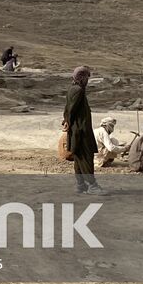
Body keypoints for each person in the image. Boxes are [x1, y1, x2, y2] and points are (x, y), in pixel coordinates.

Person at [63, 66, 105, 195]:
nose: (87, 80)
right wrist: (68, 122)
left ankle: (80, 185)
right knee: (86, 157)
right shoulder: (78, 90)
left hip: (77, 129)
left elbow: (67, 109)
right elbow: (71, 110)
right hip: (80, 130)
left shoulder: (73, 89)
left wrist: (66, 121)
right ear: (81, 77)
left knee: (79, 158)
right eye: (86, 77)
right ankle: (92, 185)